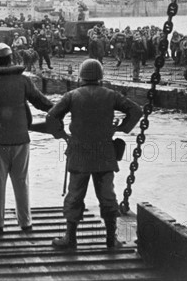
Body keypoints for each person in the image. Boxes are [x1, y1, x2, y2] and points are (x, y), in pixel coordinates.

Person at [46, 59, 142, 250]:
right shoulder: (111, 95)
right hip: (104, 154)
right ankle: (110, 239)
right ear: (100, 77)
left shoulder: (72, 96)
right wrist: (122, 127)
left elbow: (51, 116)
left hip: (79, 154)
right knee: (107, 196)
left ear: (81, 76)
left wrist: (63, 134)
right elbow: (136, 110)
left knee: (74, 196)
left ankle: (70, 239)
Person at [0, 43, 54, 233]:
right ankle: (25, 223)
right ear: (11, 59)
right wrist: (57, 110)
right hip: (21, 140)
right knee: (21, 181)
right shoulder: (22, 80)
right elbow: (40, 101)